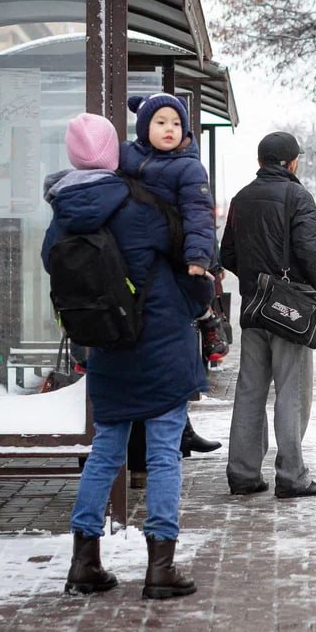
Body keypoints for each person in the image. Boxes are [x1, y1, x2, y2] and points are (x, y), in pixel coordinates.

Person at [42, 112, 209, 600]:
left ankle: (84, 561)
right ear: (116, 152)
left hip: (108, 346)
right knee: (162, 454)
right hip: (161, 342)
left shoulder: (63, 212)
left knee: (106, 453)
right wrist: (193, 306)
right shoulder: (144, 205)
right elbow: (190, 270)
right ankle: (161, 567)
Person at [220, 131, 316, 499]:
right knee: (292, 391)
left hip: (254, 308)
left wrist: (256, 282)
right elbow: (311, 250)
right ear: (292, 162)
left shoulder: (241, 198)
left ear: (260, 161)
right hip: (290, 311)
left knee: (250, 390)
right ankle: (291, 475)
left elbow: (228, 256)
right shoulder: (298, 196)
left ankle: (243, 473)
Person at [119, 93, 221, 485]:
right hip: (136, 268)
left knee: (164, 358)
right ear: (145, 127)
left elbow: (199, 213)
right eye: (160, 122)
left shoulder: (188, 167)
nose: (169, 130)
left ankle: (168, 442)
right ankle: (151, 450)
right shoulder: (127, 158)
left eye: (176, 123)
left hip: (172, 266)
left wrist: (199, 256)